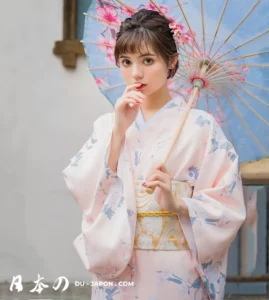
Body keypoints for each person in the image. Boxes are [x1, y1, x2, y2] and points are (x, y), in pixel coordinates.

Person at [62, 8, 246, 300]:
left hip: (176, 270)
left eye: (148, 60)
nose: (136, 73)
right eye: (126, 61)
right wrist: (118, 133)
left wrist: (179, 203)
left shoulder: (201, 127)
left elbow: (228, 206)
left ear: (171, 61)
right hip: (121, 265)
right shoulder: (108, 125)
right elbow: (84, 188)